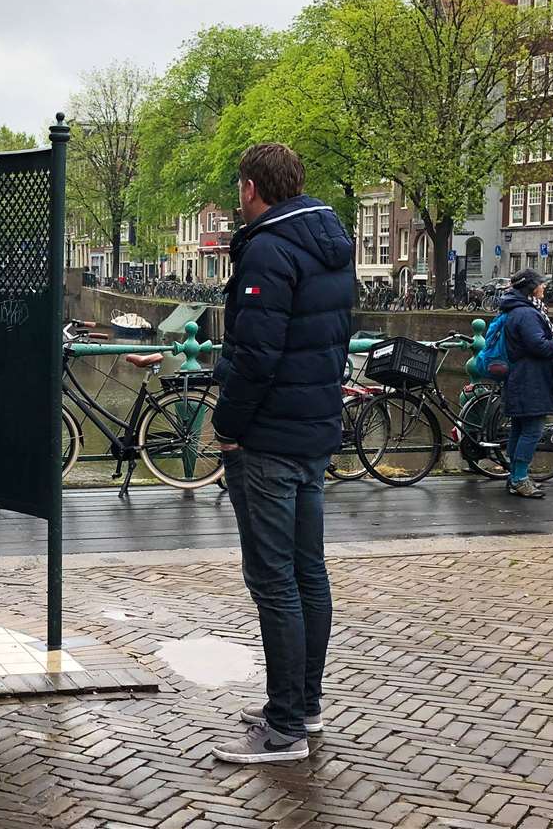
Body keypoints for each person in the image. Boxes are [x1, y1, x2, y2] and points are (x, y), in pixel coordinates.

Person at [208, 143, 354, 765]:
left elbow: (258, 354)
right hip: (314, 430)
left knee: (274, 580)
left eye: (240, 187)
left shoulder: (267, 247)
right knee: (307, 571)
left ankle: (286, 726)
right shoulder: (330, 241)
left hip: (268, 438)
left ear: (250, 187)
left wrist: (228, 424)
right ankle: (302, 705)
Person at [499, 268, 553, 499]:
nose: (544, 287)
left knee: (520, 427)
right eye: (540, 284)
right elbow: (538, 345)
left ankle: (515, 476)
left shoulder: (516, 310)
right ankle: (519, 478)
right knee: (533, 429)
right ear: (531, 288)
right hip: (530, 378)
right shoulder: (526, 314)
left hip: (521, 377)